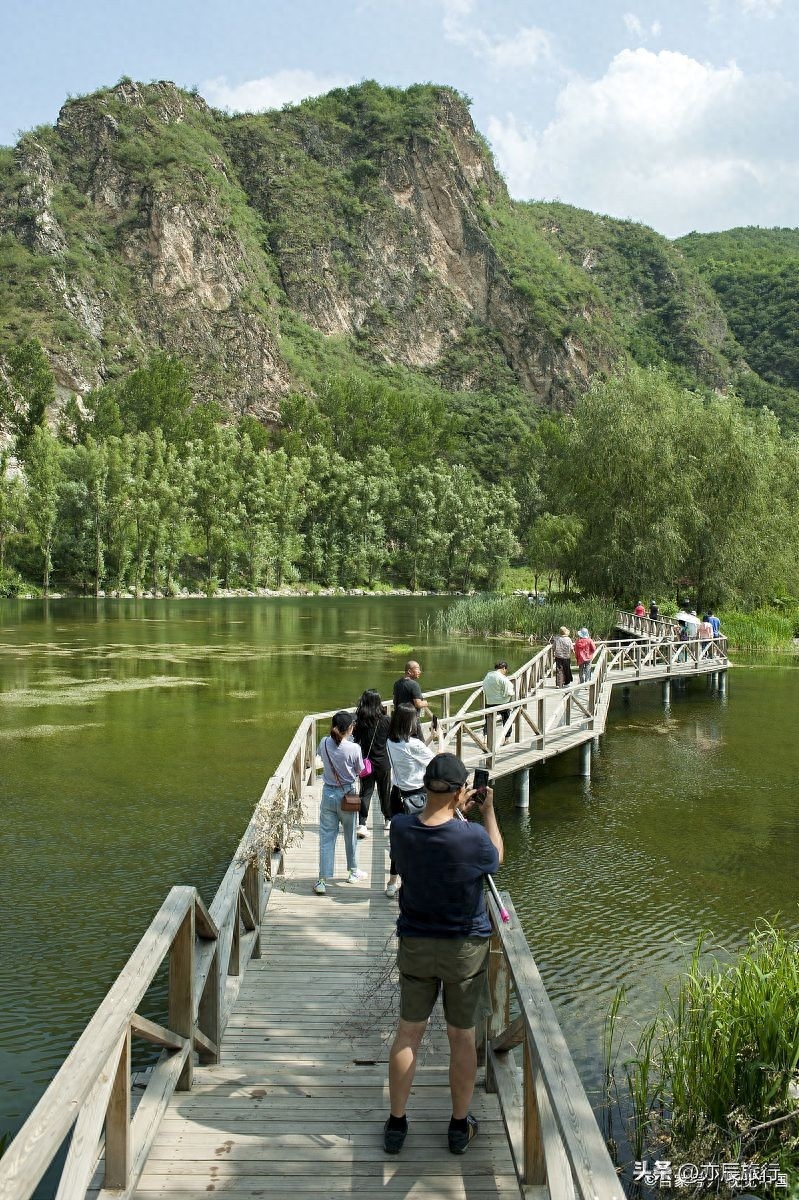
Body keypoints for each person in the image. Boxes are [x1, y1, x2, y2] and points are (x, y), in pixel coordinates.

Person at [383, 752, 503, 1157]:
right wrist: (487, 814)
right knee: (461, 1037)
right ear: (459, 791)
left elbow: (420, 839)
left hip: (416, 944)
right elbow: (495, 856)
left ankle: (396, 1123)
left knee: (408, 1033)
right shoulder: (471, 838)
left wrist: (454, 809)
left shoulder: (400, 829)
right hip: (463, 950)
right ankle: (457, 1126)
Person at [384, 703, 434, 898]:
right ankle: (413, 883)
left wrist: (428, 739)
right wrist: (437, 738)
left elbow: (415, 755)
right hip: (418, 797)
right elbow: (436, 762)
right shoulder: (415, 745)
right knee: (419, 841)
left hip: (397, 795)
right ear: (410, 722)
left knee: (398, 841)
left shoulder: (390, 742)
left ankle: (391, 883)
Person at [314, 710, 366, 895]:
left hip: (328, 794)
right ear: (349, 728)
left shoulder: (324, 743)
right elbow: (361, 771)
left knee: (327, 838)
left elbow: (321, 756)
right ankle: (353, 872)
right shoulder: (354, 748)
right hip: (348, 795)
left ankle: (322, 880)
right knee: (350, 835)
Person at [353, 689, 391, 838]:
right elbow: (392, 739)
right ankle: (388, 819)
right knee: (384, 792)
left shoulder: (360, 721)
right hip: (383, 761)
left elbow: (356, 740)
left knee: (365, 793)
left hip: (366, 762)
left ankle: (362, 823)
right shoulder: (386, 720)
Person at [481, 660, 514, 741]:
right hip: (502, 703)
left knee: (488, 720)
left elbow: (484, 687)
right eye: (506, 670)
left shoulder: (488, 676)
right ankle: (506, 739)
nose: (505, 672)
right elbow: (509, 692)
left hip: (490, 701)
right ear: (503, 668)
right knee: (506, 719)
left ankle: (485, 738)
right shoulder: (502, 678)